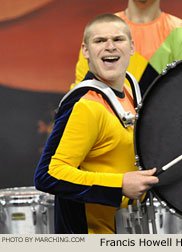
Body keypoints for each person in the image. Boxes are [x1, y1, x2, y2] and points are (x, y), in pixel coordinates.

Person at [34, 13, 159, 234]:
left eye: (118, 39)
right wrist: (119, 184)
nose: (110, 46)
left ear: (132, 47)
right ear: (85, 51)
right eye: (100, 41)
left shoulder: (130, 88)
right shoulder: (85, 104)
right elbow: (48, 175)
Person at [74, 0, 182, 95]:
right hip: (106, 123)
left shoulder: (181, 33)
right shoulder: (100, 29)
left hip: (160, 124)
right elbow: (82, 89)